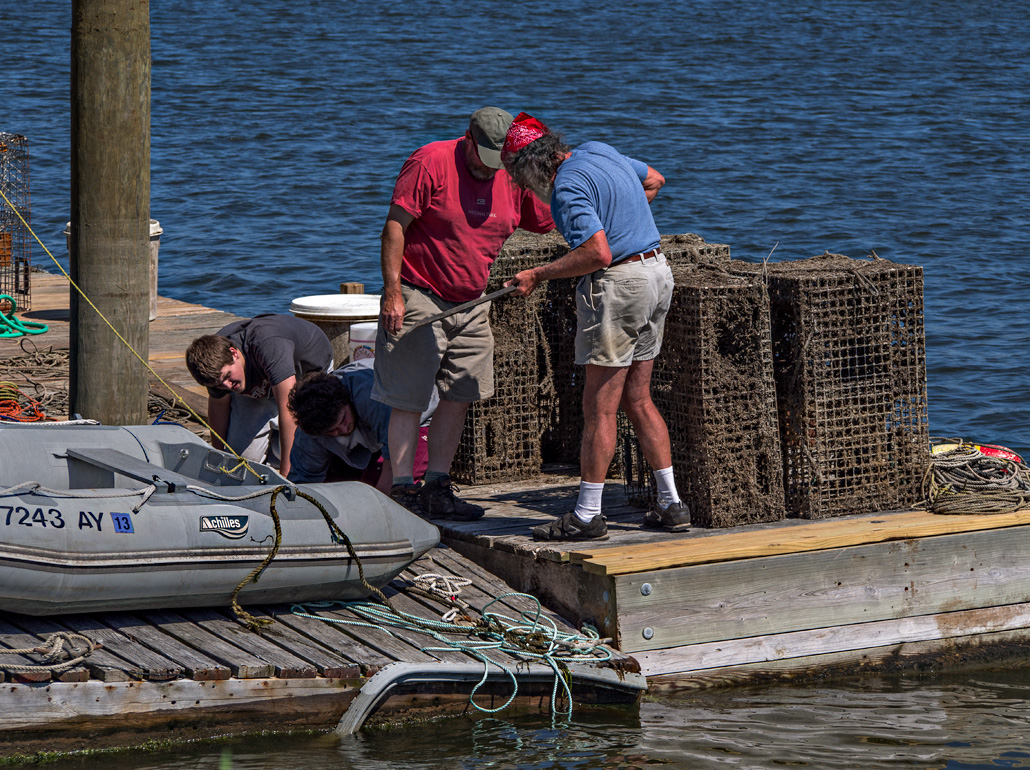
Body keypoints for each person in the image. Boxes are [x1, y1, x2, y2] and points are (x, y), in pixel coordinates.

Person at [500, 112, 690, 541]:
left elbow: (598, 254)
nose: (523, 187)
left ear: (531, 166)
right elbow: (655, 179)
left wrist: (538, 274)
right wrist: (626, 224)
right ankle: (671, 504)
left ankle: (587, 516)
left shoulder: (565, 187)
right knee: (638, 399)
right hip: (658, 272)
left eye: (518, 177)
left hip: (621, 286)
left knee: (599, 409)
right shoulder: (599, 151)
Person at [373, 106, 555, 520]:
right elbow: (394, 227)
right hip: (419, 293)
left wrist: (566, 178)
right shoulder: (430, 161)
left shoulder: (512, 172)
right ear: (468, 139)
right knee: (408, 398)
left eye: (501, 162)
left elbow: (548, 218)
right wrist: (392, 294)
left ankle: (437, 485)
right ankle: (402, 490)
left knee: (460, 394)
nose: (491, 169)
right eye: (484, 158)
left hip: (473, 301)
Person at [185, 314, 333, 478]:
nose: (227, 386)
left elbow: (289, 409)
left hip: (304, 376)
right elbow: (218, 404)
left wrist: (286, 476)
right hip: (259, 384)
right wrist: (218, 456)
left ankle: (284, 447)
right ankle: (275, 445)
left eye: (228, 376)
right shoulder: (214, 366)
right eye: (219, 385)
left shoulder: (269, 346)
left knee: (309, 458)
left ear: (234, 353)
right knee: (242, 463)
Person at [286, 359, 437, 493]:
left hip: (414, 417)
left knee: (387, 491)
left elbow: (394, 464)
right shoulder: (309, 434)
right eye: (333, 430)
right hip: (372, 429)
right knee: (337, 487)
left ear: (346, 399)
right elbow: (304, 483)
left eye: (343, 419)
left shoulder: (370, 394)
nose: (344, 429)